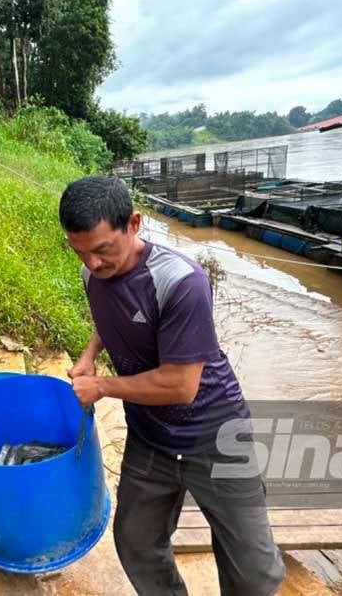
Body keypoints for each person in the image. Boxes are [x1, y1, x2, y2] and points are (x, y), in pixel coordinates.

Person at [59, 175, 285, 596]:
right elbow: (112, 318)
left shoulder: (181, 282)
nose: (92, 263)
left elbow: (181, 386)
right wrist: (90, 354)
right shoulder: (92, 275)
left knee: (254, 572)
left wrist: (103, 386)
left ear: (134, 224)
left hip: (216, 433)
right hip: (152, 435)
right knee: (136, 542)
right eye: (80, 251)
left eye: (103, 249)